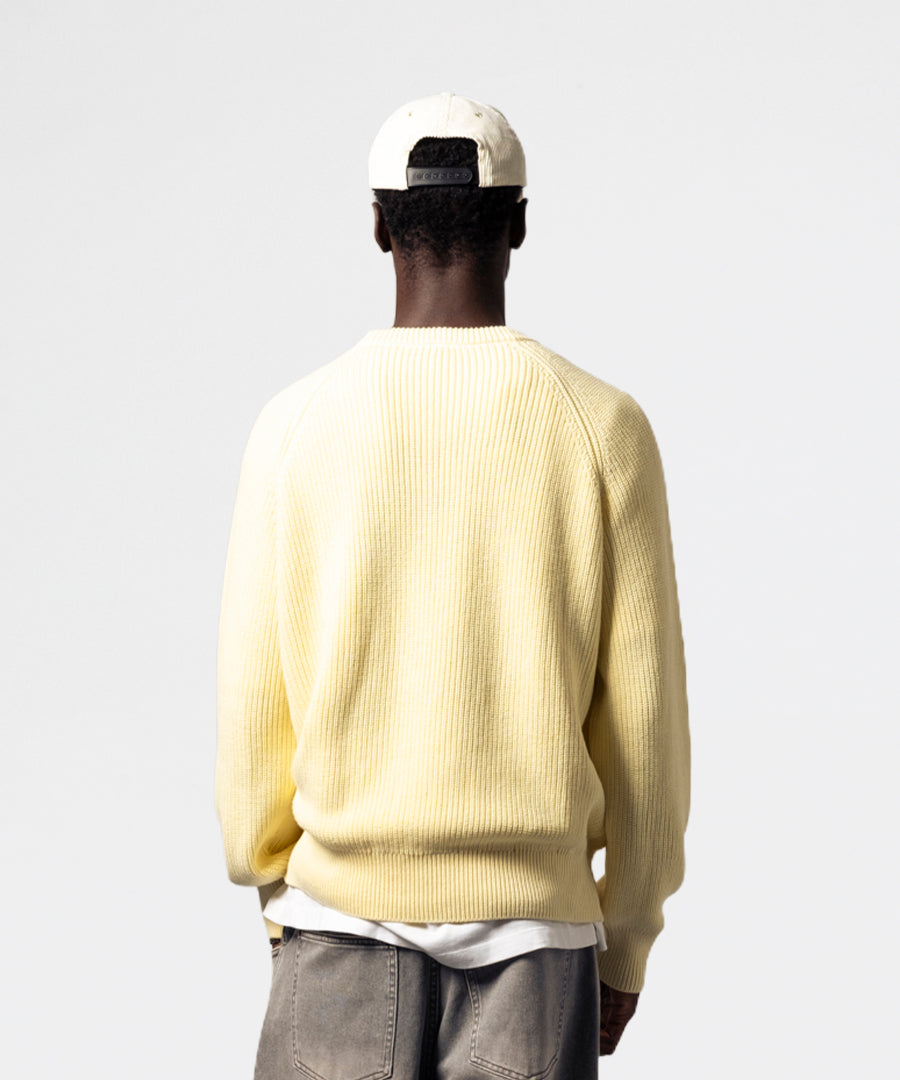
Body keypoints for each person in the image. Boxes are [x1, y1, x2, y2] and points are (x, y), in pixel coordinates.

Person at [215, 91, 691, 1079]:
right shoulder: (602, 429)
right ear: (519, 224)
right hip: (536, 941)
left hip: (336, 927)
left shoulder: (293, 427)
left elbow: (253, 705)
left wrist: (277, 896)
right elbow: (646, 729)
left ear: (378, 225)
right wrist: (628, 936)